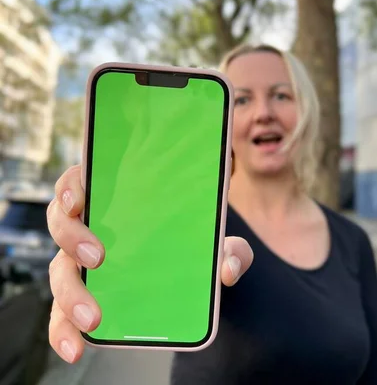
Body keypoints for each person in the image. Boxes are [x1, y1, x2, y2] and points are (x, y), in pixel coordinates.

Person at [47, 44, 377, 384]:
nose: (263, 112)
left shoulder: (353, 241)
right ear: (223, 118)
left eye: (281, 96)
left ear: (307, 109)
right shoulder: (192, 223)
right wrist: (97, 260)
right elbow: (136, 282)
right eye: (242, 99)